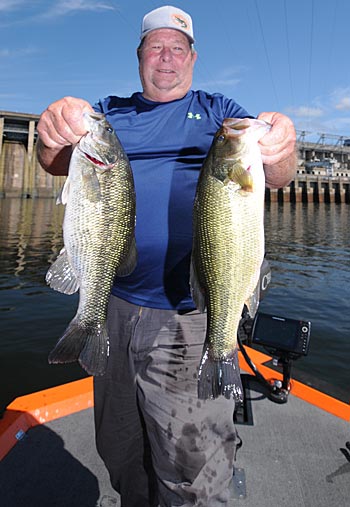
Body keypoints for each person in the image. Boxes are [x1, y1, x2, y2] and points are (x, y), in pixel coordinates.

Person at [37, 6, 297, 507]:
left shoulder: (221, 112)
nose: (167, 57)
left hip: (189, 312)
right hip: (112, 302)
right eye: (156, 47)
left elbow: (278, 170)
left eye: (177, 48)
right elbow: (54, 161)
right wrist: (53, 130)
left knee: (191, 465)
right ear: (139, 57)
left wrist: (282, 143)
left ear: (193, 58)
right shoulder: (107, 115)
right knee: (119, 448)